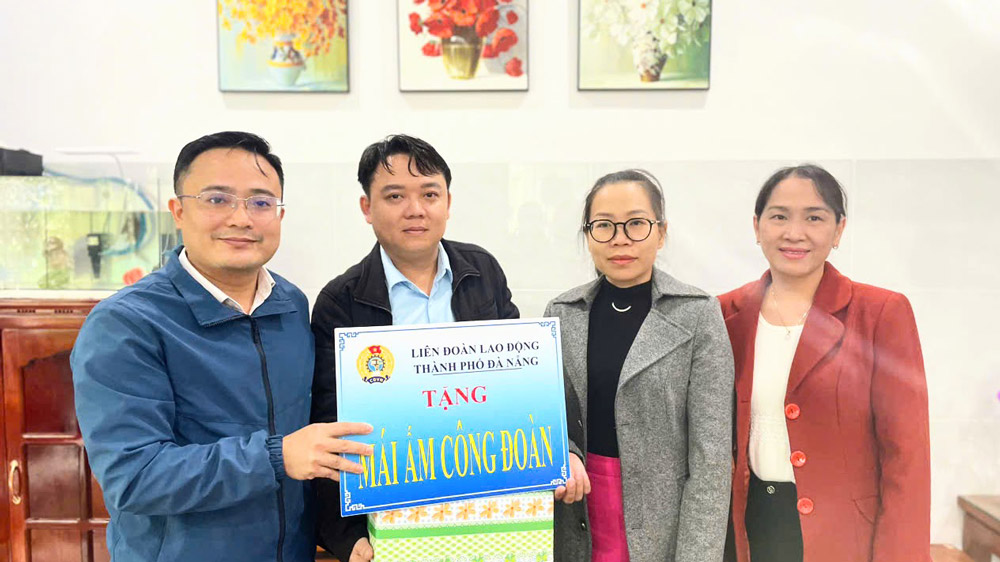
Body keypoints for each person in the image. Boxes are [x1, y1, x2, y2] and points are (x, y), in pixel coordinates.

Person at [71, 131, 373, 562]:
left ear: (280, 214)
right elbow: (134, 476)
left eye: (261, 202)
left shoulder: (291, 305)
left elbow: (316, 436)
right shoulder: (126, 324)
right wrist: (276, 456)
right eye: (217, 200)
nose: (241, 218)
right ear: (178, 211)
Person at [310, 134, 522, 562]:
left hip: (487, 505)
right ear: (367, 208)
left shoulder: (482, 271)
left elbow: (518, 382)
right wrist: (346, 536)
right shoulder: (341, 301)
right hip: (390, 517)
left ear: (447, 201)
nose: (416, 210)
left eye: (429, 193)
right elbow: (329, 423)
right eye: (394, 196)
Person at [720, 164, 931, 562]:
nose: (794, 232)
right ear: (757, 225)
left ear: (838, 231)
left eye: (814, 218)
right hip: (748, 528)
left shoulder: (880, 313)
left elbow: (907, 455)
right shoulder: (725, 314)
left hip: (844, 537)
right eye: (779, 216)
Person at [546, 169, 734, 562]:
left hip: (664, 524)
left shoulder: (698, 315)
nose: (620, 238)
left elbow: (711, 458)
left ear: (661, 233)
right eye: (604, 225)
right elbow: (549, 420)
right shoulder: (562, 314)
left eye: (636, 224)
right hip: (576, 512)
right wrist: (568, 451)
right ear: (588, 235)